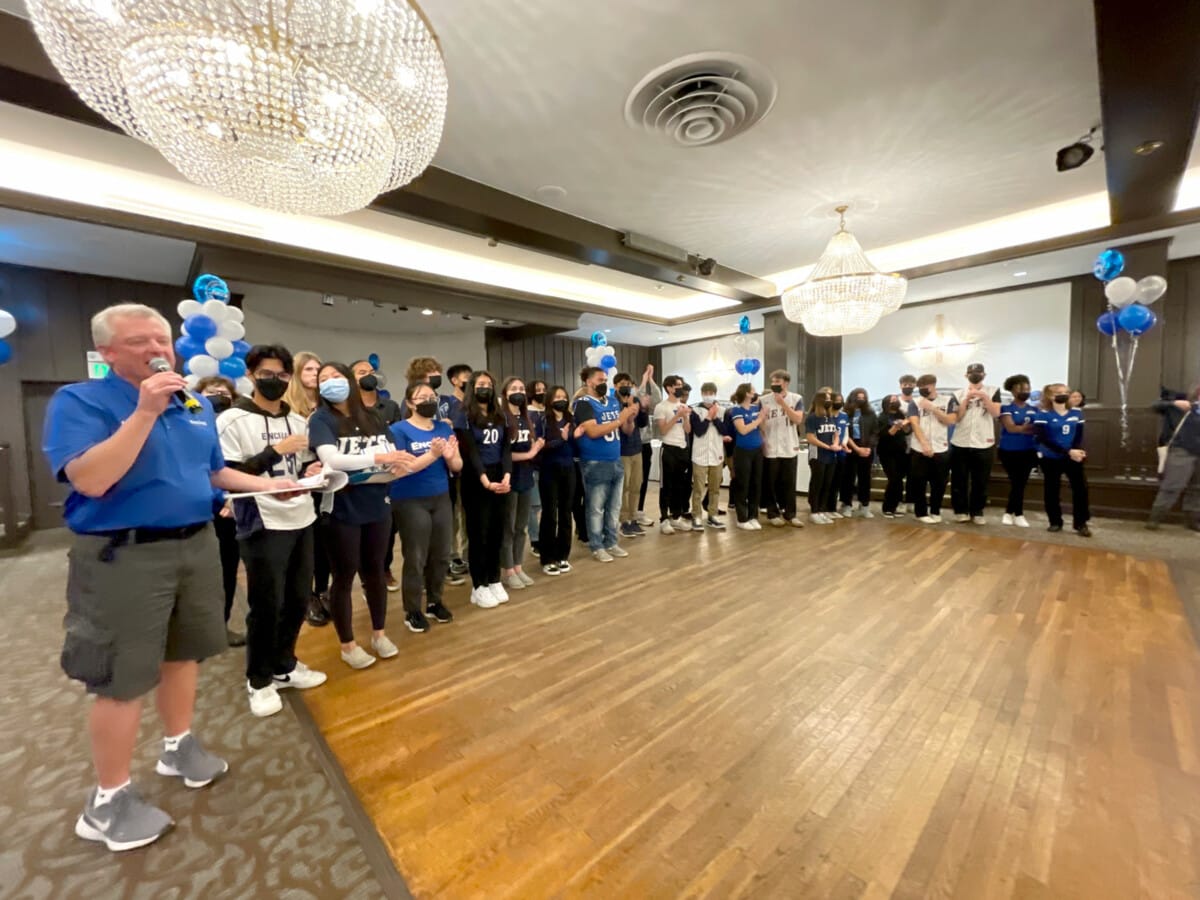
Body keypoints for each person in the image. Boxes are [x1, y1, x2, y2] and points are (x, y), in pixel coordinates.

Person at [43, 303, 304, 852]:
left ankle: (177, 745)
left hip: (196, 543)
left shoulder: (192, 405)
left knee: (183, 654)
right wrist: (142, 412)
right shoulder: (79, 401)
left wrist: (268, 488)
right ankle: (107, 802)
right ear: (108, 352)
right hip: (124, 555)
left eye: (162, 338)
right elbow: (89, 480)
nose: (157, 349)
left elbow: (212, 472)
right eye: (139, 341)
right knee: (123, 676)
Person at [216, 345, 327, 718]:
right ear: (250, 375)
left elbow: (307, 464)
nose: (276, 381)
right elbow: (227, 474)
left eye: (283, 375)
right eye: (268, 374)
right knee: (267, 604)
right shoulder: (231, 420)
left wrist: (312, 473)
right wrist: (275, 451)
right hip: (261, 520)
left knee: (297, 599)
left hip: (302, 516)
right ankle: (259, 678)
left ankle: (285, 665)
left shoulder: (298, 421)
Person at [309, 362, 410, 669]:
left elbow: (394, 454)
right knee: (344, 575)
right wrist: (379, 458)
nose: (331, 382)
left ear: (351, 381)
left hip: (378, 505)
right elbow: (332, 459)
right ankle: (348, 644)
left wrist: (397, 464)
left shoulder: (374, 416)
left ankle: (379, 633)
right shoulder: (321, 419)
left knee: (375, 572)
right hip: (340, 509)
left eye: (336, 376)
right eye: (323, 379)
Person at [389, 381, 462, 632]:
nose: (429, 401)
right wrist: (432, 455)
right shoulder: (399, 430)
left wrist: (451, 457)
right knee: (416, 556)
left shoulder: (442, 427)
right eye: (422, 397)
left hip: (440, 496)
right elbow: (401, 469)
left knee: (441, 554)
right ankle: (412, 610)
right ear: (409, 403)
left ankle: (434, 601)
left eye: (432, 396)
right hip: (409, 499)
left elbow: (457, 466)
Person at [455, 370, 513, 608]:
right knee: (479, 532)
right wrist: (484, 479)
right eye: (480, 384)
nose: (485, 388)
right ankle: (479, 585)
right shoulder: (464, 415)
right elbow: (470, 451)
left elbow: (506, 448)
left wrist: (507, 475)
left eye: (488, 384)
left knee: (497, 531)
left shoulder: (500, 414)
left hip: (500, 475)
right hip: (475, 478)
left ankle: (493, 578)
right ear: (472, 388)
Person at [284, 351, 332, 626]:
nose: (314, 374)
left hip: (329, 478)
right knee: (306, 544)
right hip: (301, 479)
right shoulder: (288, 407)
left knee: (325, 541)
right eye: (309, 369)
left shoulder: (329, 405)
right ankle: (307, 596)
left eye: (318, 370)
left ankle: (324, 590)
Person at [196, 375, 243, 646]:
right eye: (211, 392)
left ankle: (221, 626)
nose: (218, 396)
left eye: (224, 393)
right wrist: (220, 497)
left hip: (230, 510)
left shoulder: (236, 424)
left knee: (227, 570)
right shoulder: (193, 423)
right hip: (201, 509)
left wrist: (232, 498)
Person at [573, 366, 638, 561]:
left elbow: (626, 430)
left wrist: (629, 418)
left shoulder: (612, 401)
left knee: (615, 506)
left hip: (615, 459)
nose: (604, 383)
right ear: (588, 382)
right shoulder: (583, 403)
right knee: (596, 507)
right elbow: (592, 432)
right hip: (595, 461)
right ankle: (596, 545)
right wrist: (620, 420)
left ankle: (611, 541)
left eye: (605, 380)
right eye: (600, 380)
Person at [352, 358, 404, 591]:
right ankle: (366, 577)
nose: (368, 375)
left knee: (388, 529)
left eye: (371, 371)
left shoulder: (390, 406)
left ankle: (384, 568)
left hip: (388, 479)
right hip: (359, 479)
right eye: (361, 372)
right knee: (363, 532)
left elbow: (398, 438)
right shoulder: (347, 408)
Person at [500, 377, 544, 591]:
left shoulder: (526, 418)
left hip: (527, 477)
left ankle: (518, 566)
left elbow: (530, 449)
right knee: (507, 527)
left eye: (520, 388)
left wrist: (535, 449)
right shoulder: (502, 418)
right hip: (509, 477)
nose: (518, 392)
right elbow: (504, 453)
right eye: (513, 388)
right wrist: (530, 452)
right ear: (505, 393)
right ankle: (507, 570)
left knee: (522, 526)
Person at [1033, 384, 1091, 537]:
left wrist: (1076, 451)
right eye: (1059, 392)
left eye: (1066, 392)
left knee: (1081, 489)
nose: (1063, 395)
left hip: (1072, 456)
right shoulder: (1043, 414)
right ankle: (1055, 522)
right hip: (1051, 457)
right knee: (1052, 489)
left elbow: (1078, 435)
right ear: (1050, 396)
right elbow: (1042, 438)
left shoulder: (1076, 413)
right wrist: (1066, 451)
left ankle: (1081, 523)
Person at [949, 363, 1000, 525]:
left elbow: (995, 413)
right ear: (966, 375)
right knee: (959, 479)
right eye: (971, 372)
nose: (975, 375)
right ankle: (960, 511)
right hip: (960, 441)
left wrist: (984, 397)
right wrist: (967, 399)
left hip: (984, 442)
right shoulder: (957, 394)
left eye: (978, 372)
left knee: (981, 480)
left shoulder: (993, 391)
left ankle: (977, 511)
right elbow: (956, 417)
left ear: (984, 375)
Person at [907, 374, 958, 524]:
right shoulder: (915, 403)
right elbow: (915, 424)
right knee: (919, 482)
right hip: (919, 448)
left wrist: (933, 408)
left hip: (940, 447)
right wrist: (924, 444)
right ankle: (921, 512)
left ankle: (935, 510)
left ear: (934, 385)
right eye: (920, 387)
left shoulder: (948, 400)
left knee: (939, 482)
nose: (923, 389)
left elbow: (950, 420)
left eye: (926, 386)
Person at [1148, 387, 1200, 531]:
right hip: (1181, 452)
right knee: (1172, 486)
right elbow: (1154, 406)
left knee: (1197, 489)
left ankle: (1192, 521)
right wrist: (1172, 403)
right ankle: (1155, 518)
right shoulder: (1185, 407)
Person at [537, 385, 576, 575]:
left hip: (569, 469)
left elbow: (575, 445)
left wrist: (574, 437)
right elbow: (541, 446)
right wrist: (561, 439)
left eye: (564, 396)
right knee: (550, 514)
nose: (561, 399)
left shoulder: (571, 419)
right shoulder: (543, 420)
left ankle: (563, 555)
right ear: (550, 400)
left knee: (566, 513)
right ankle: (547, 557)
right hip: (549, 470)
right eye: (557, 397)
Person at [761, 370, 806, 527]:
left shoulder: (796, 398)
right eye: (772, 382)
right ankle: (772, 513)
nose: (775, 385)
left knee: (789, 482)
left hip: (789, 446)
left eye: (778, 382)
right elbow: (760, 424)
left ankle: (791, 514)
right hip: (771, 446)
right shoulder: (763, 400)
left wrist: (783, 404)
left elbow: (798, 419)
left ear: (786, 383)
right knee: (771, 482)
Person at [440, 364, 473, 580]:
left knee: (468, 512)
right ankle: (452, 555)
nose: (469, 381)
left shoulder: (474, 404)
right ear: (454, 380)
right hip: (451, 466)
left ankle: (469, 553)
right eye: (465, 377)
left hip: (473, 465)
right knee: (452, 515)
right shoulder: (445, 403)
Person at [654, 375, 694, 533]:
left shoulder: (683, 405)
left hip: (682, 448)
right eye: (677, 385)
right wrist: (677, 416)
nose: (680, 388)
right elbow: (663, 430)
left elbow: (688, 430)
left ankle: (676, 516)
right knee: (667, 485)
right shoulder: (662, 407)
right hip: (668, 448)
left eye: (681, 385)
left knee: (680, 485)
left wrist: (685, 417)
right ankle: (664, 518)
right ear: (669, 388)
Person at [998, 374, 1038, 528]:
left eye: (1027, 388)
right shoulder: (1006, 408)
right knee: (1017, 482)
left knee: (1020, 482)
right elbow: (1011, 428)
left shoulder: (1034, 409)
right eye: (1021, 388)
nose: (1025, 391)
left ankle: (1011, 513)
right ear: (1012, 390)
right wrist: (1025, 428)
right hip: (1008, 450)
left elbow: (1038, 429)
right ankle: (1017, 514)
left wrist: (1022, 428)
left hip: (1028, 450)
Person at [615, 371, 650, 538]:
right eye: (622, 384)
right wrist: (627, 409)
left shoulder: (634, 399)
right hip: (621, 450)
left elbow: (642, 424)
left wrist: (642, 409)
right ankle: (623, 521)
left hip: (637, 448)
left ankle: (633, 517)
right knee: (624, 487)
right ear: (615, 386)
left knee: (636, 485)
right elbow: (621, 425)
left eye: (628, 384)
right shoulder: (613, 402)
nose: (626, 387)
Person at [689, 383, 727, 530]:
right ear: (701, 393)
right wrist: (708, 418)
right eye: (706, 392)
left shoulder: (722, 410)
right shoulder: (695, 410)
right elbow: (698, 431)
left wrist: (715, 417)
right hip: (699, 454)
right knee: (698, 487)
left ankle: (713, 514)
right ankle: (696, 516)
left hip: (716, 453)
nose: (708, 395)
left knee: (715, 488)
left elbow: (724, 430)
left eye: (711, 392)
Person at [729, 383, 766, 530]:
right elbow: (743, 430)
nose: (755, 394)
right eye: (753, 391)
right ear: (747, 394)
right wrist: (758, 419)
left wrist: (763, 419)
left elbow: (761, 427)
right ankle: (742, 518)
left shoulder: (755, 409)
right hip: (743, 451)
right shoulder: (736, 410)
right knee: (742, 484)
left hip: (757, 450)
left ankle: (753, 516)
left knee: (756, 484)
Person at [805, 391, 841, 525]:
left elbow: (836, 433)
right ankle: (814, 511)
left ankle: (822, 509)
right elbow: (810, 437)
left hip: (831, 456)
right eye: (826, 399)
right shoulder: (812, 418)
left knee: (827, 483)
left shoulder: (830, 417)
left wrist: (836, 444)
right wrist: (827, 446)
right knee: (817, 484)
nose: (829, 401)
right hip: (818, 456)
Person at [843, 387, 878, 518]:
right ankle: (847, 504)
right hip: (849, 447)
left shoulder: (870, 413)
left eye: (863, 398)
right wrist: (856, 448)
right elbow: (843, 432)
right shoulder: (845, 413)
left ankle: (864, 505)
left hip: (866, 447)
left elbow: (875, 431)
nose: (861, 400)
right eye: (858, 397)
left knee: (865, 478)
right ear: (852, 397)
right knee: (848, 478)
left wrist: (869, 447)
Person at [876, 394, 911, 517]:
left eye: (896, 400)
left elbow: (907, 432)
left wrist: (906, 425)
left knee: (899, 479)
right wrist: (897, 426)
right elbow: (885, 434)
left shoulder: (901, 415)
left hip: (901, 451)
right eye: (892, 401)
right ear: (886, 403)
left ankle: (896, 506)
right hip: (886, 452)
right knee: (893, 478)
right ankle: (887, 507)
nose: (895, 402)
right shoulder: (882, 417)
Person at [636, 364, 661, 526]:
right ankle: (629, 513)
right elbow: (640, 395)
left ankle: (639, 511)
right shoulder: (634, 407)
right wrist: (644, 380)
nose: (646, 398)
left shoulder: (649, 408)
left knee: (644, 479)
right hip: (632, 448)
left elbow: (657, 398)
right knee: (633, 482)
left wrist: (650, 379)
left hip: (646, 445)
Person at [526, 379, 547, 557]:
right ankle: (535, 539)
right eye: (537, 390)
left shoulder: (547, 412)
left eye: (543, 389)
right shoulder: (528, 414)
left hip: (548, 464)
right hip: (532, 465)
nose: (541, 392)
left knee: (545, 504)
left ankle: (544, 535)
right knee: (534, 505)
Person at [898, 374, 918, 513]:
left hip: (915, 443)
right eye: (905, 384)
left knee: (914, 474)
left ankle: (911, 500)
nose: (908, 387)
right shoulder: (896, 402)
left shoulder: (917, 402)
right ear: (900, 386)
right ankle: (898, 501)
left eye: (910, 384)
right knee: (898, 475)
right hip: (899, 444)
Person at [829, 392, 850, 517]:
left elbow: (846, 433)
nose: (839, 402)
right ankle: (823, 507)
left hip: (841, 451)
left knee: (837, 480)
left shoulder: (844, 415)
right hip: (828, 450)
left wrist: (844, 443)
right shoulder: (827, 416)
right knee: (828, 481)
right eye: (836, 400)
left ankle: (832, 508)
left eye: (840, 400)